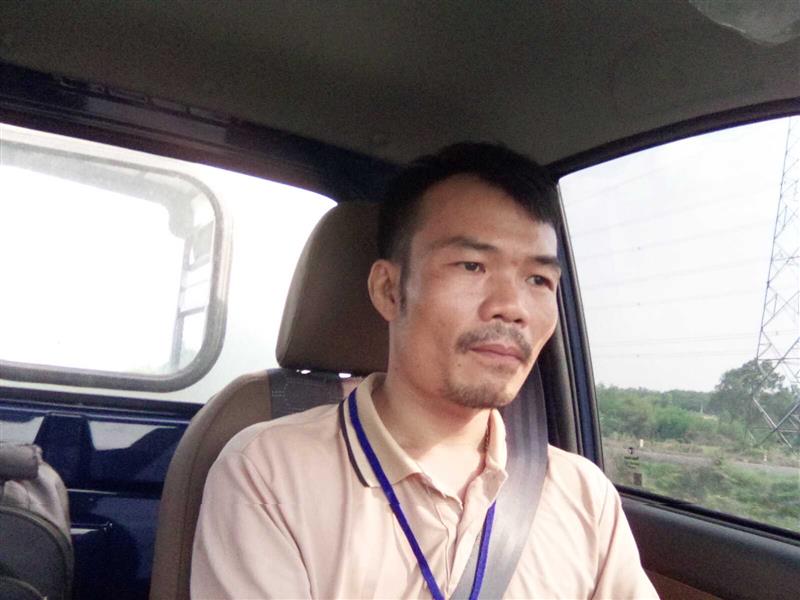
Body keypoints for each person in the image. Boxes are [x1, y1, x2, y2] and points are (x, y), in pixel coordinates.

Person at [191, 143, 658, 599]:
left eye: (538, 279)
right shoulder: (269, 474)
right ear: (389, 290)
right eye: (472, 266)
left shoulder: (583, 495)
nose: (512, 307)